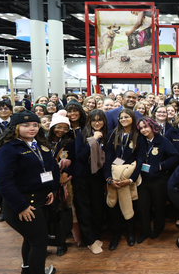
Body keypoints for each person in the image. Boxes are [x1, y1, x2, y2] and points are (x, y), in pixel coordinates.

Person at [0, 110, 59, 274]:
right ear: (15, 127)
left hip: (39, 200)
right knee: (39, 241)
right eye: (26, 125)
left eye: (35, 125)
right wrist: (21, 207)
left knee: (31, 239)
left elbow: (49, 168)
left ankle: (27, 269)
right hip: (22, 204)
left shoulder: (38, 144)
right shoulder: (8, 150)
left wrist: (50, 189)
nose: (32, 128)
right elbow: (3, 183)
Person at [103, 108, 146, 250]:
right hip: (114, 175)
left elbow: (140, 159)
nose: (123, 120)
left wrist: (131, 179)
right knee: (114, 207)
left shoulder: (138, 136)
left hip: (129, 175)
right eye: (121, 118)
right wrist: (108, 178)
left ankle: (131, 233)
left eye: (126, 117)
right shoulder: (112, 135)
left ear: (133, 118)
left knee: (130, 205)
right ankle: (116, 235)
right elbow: (108, 158)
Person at [136, 117, 179, 243]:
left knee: (159, 206)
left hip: (159, 180)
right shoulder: (140, 141)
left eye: (146, 127)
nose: (144, 130)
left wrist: (161, 166)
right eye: (141, 128)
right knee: (143, 207)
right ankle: (145, 231)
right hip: (143, 180)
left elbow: (175, 156)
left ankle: (158, 228)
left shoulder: (162, 140)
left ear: (152, 127)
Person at [73, 109, 108, 254]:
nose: (97, 123)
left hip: (98, 177)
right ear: (89, 121)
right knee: (84, 209)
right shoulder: (82, 135)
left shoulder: (107, 136)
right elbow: (80, 157)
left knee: (97, 208)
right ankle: (89, 240)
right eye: (94, 120)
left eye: (100, 120)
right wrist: (92, 140)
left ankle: (94, 236)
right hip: (82, 177)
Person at [47, 110, 76, 256]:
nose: (62, 131)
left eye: (65, 128)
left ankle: (61, 241)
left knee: (62, 211)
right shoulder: (42, 141)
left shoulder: (69, 142)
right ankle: (45, 240)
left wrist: (66, 173)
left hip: (62, 181)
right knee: (46, 212)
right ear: (52, 126)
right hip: (44, 181)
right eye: (59, 127)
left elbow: (74, 160)